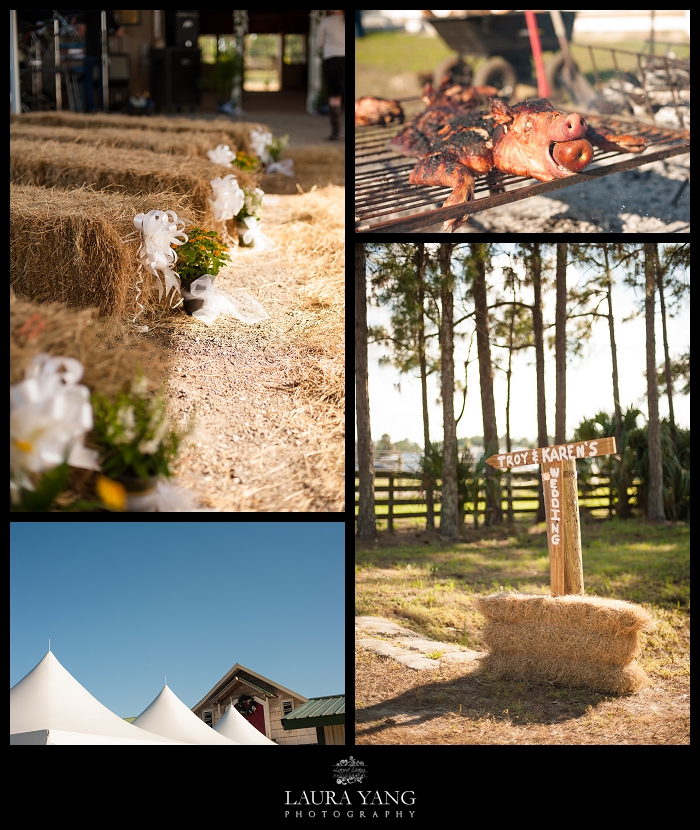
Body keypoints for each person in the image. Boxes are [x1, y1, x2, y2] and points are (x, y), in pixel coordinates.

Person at [74, 11, 124, 113]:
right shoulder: (108, 13)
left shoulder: (87, 13)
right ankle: (103, 107)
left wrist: (74, 24)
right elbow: (120, 33)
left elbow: (81, 32)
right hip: (103, 51)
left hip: (90, 51)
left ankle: (91, 108)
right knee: (103, 81)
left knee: (88, 81)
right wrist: (108, 34)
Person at [317, 11, 345, 141]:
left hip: (331, 59)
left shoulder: (327, 21)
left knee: (334, 96)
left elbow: (319, 43)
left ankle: (336, 132)